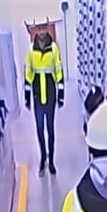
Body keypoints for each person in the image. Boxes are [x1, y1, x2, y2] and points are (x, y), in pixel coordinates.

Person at [24, 29, 64, 174]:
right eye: (39, 28)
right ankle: (43, 157)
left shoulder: (54, 48)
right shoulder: (31, 50)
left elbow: (59, 71)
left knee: (50, 129)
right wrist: (27, 98)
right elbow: (28, 74)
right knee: (40, 129)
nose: (41, 31)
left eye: (43, 28)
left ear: (46, 28)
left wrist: (61, 95)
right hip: (37, 96)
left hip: (50, 93)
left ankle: (51, 161)